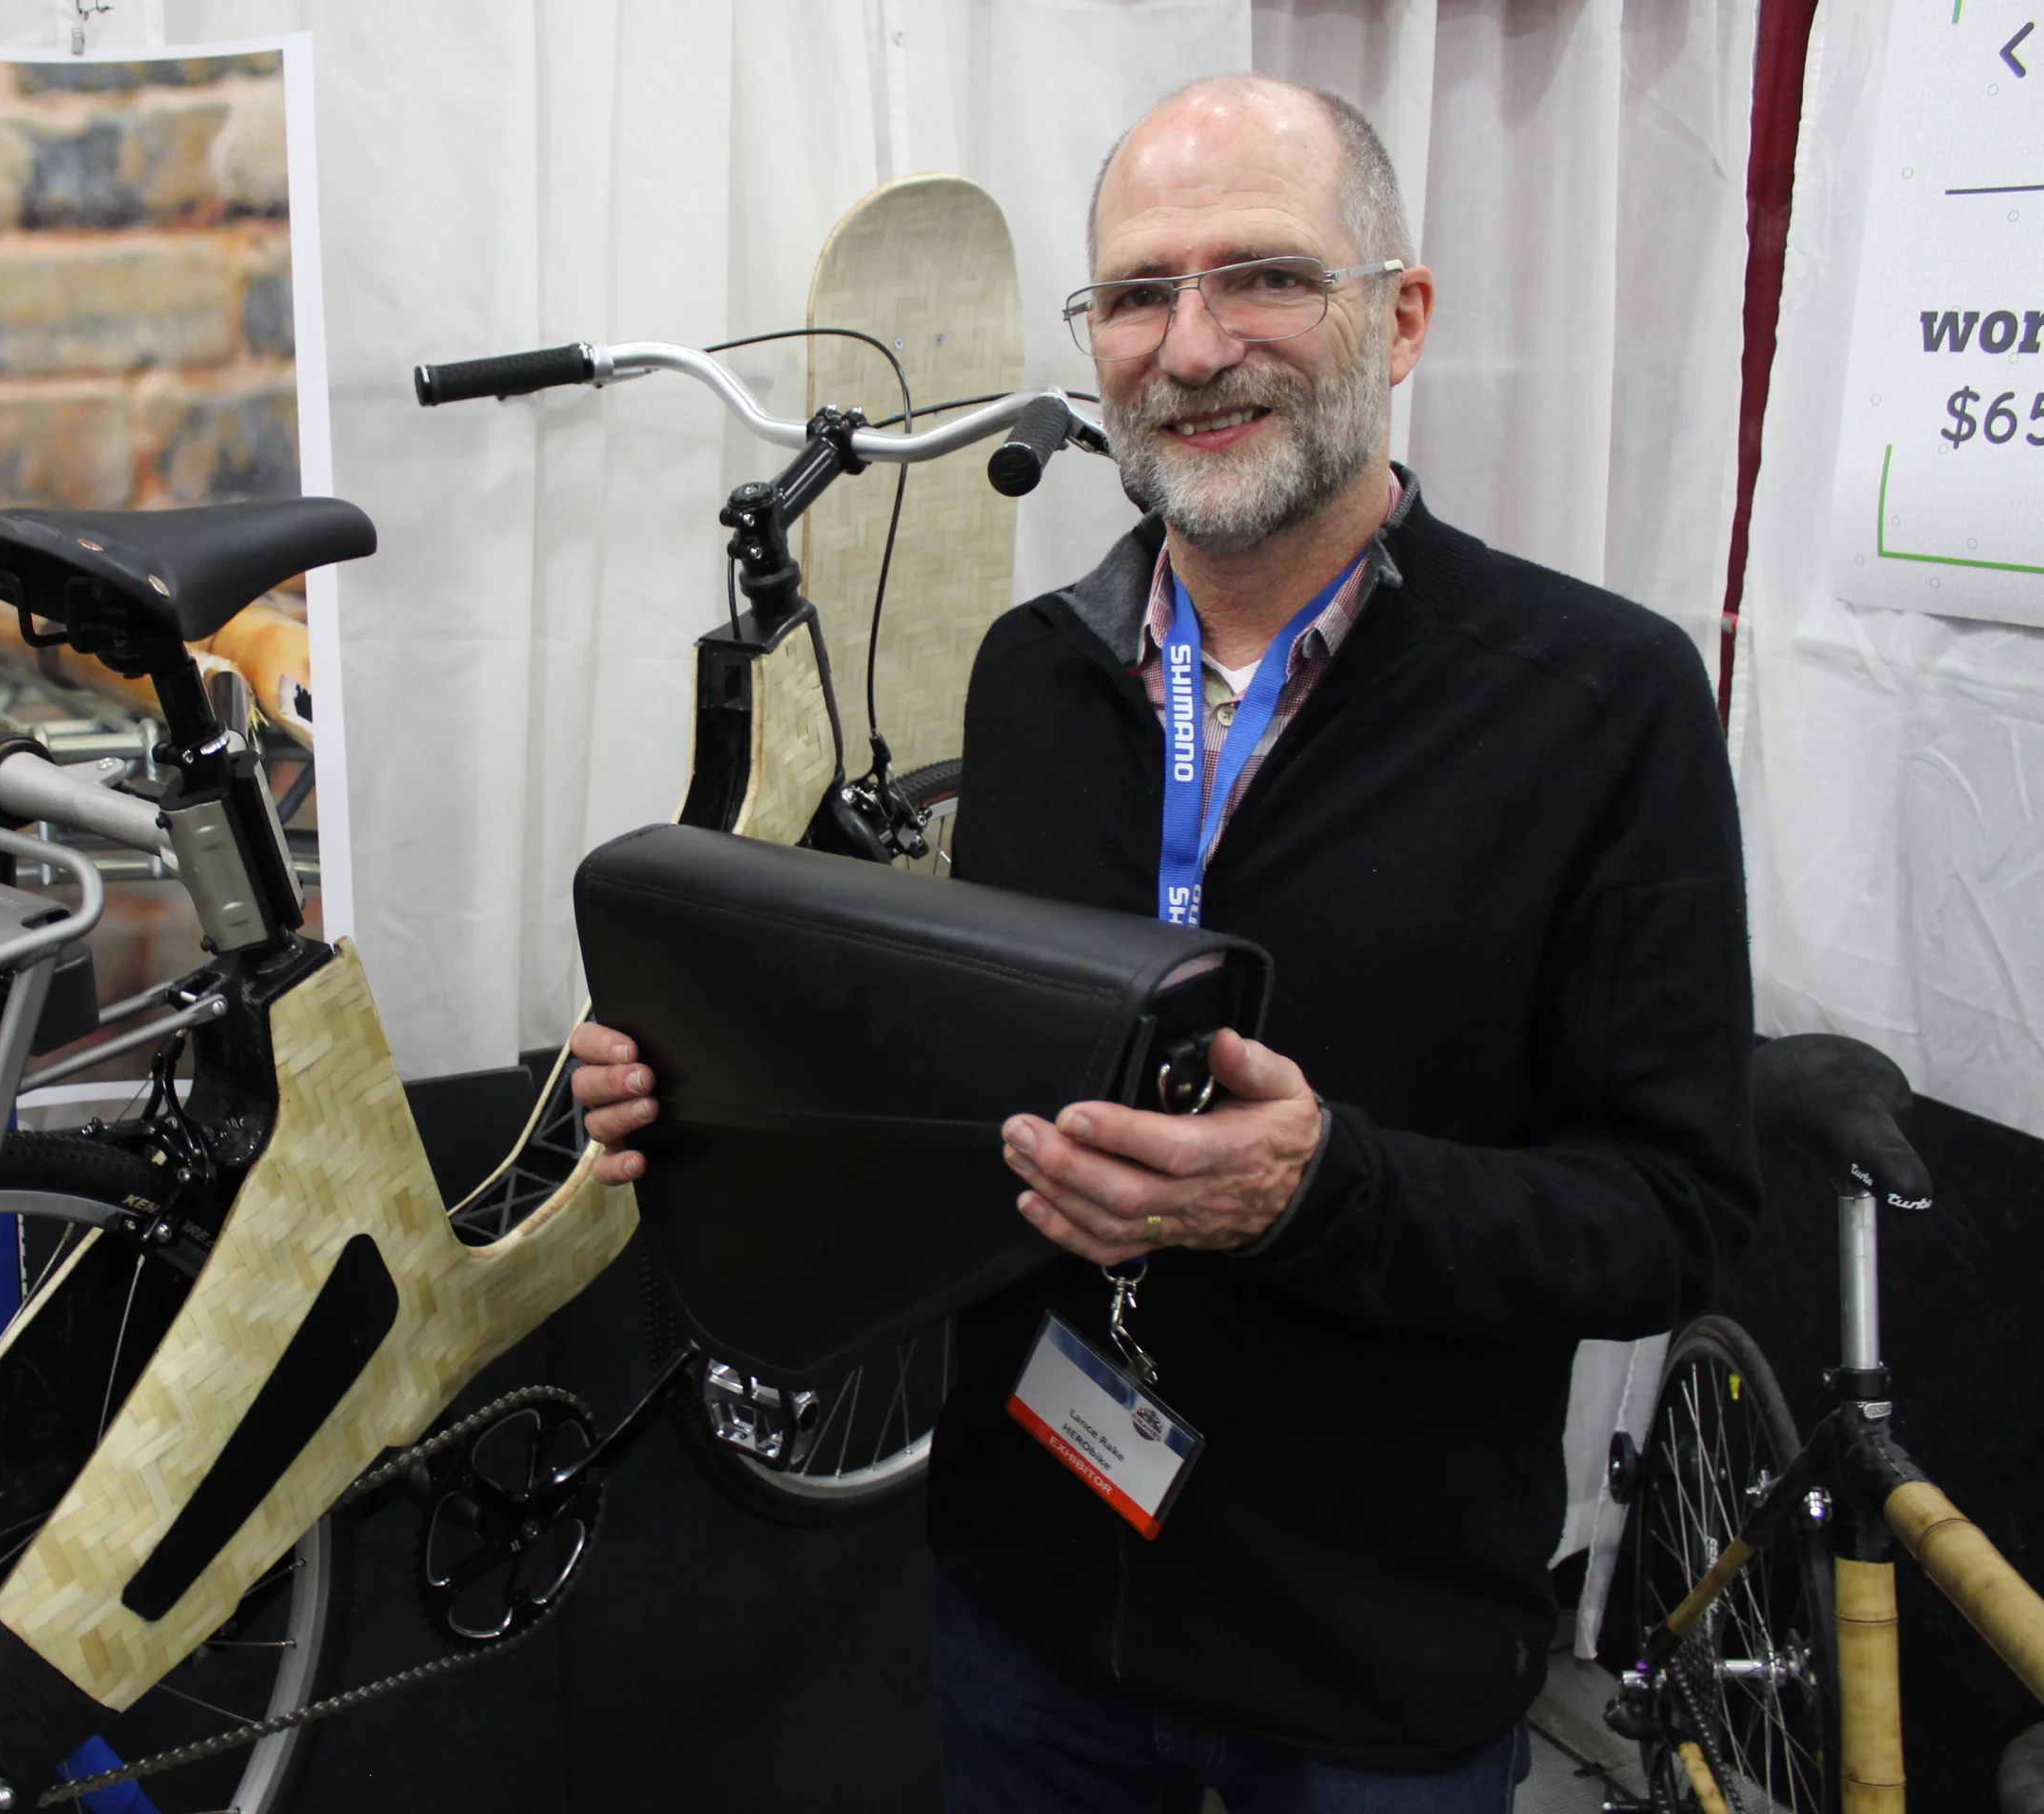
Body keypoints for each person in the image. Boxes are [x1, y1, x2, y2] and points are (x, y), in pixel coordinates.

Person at [571, 74, 1754, 1814]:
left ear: (1401, 315)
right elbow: (975, 1094)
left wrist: (1314, 1192)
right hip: (1026, 1604)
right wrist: (718, 1083)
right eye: (1137, 294)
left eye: (1263, 277)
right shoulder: (1039, 673)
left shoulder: (1602, 704)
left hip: (1369, 1667)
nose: (1191, 349)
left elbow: (1678, 1216)